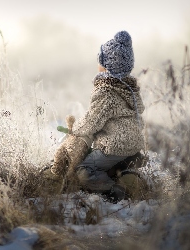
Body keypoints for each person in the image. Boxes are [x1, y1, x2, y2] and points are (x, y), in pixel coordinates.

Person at [51, 31, 146, 201]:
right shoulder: (129, 90)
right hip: (134, 147)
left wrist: (75, 129)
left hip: (114, 147)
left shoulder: (106, 92)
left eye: (100, 62)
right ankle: (126, 175)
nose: (98, 65)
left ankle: (115, 191)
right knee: (108, 164)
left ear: (107, 66)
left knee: (84, 170)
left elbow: (92, 121)